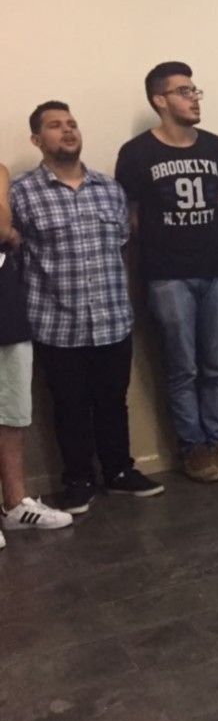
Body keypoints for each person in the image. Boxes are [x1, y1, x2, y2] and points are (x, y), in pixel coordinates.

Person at [10, 102, 163, 515]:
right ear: (37, 139)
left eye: (72, 124)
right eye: (55, 126)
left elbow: (123, 249)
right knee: (69, 406)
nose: (67, 131)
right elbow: (16, 259)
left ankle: (119, 471)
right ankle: (78, 480)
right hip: (56, 322)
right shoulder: (21, 193)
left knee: (113, 400)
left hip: (112, 317)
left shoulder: (109, 189)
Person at [114, 61, 218, 484]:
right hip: (167, 274)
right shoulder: (136, 153)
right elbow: (131, 219)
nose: (194, 98)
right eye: (184, 91)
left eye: (194, 90)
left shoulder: (215, 146)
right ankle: (193, 449)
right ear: (160, 100)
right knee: (182, 368)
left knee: (217, 367)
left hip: (217, 271)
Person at [0, 162, 73, 544]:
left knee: (13, 408)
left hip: (6, 302)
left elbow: (1, 225)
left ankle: (14, 504)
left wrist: (8, 231)